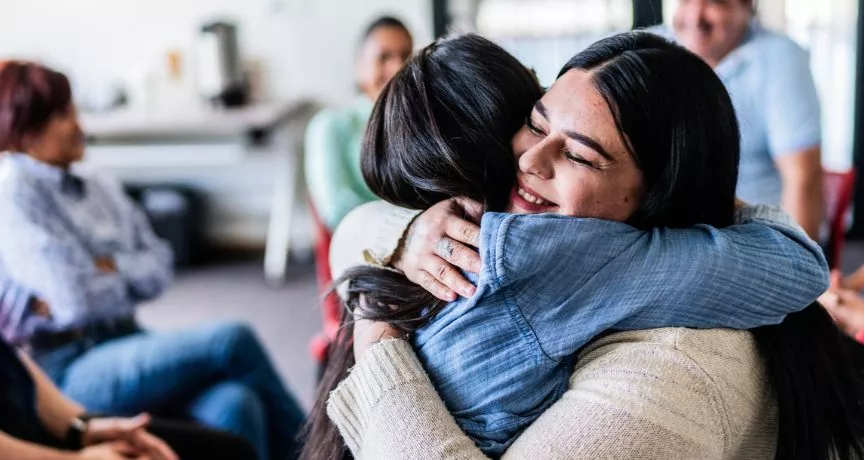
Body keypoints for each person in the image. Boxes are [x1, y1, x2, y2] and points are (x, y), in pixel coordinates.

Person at [319, 33, 864, 459]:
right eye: (535, 125)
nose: (531, 161)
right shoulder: (495, 244)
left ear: (659, 196)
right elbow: (352, 229)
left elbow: (798, 265)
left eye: (580, 156)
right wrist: (405, 238)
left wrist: (376, 328)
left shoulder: (667, 367)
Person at [0, 61, 305, 460]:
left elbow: (160, 266)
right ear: (27, 131)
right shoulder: (13, 193)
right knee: (232, 339)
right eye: (63, 114)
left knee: (236, 402)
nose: (79, 124)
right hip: (70, 368)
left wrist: (104, 270)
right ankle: (325, 453)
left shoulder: (97, 182)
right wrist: (116, 269)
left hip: (127, 338)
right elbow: (73, 297)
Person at [655, 0, 823, 239]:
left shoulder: (780, 56)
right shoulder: (649, 49)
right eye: (684, 1)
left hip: (752, 238)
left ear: (748, 6)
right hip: (670, 235)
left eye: (715, 3)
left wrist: (800, 264)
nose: (694, 17)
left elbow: (803, 178)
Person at [0, 331, 258, 460]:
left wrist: (81, 427)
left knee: (231, 447)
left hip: (40, 434)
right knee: (233, 339)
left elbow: (10, 363)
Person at [304, 15, 414, 231]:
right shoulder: (331, 126)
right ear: (360, 67)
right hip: (364, 244)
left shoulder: (423, 125)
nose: (398, 68)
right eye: (384, 57)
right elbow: (337, 210)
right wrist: (414, 224)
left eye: (406, 56)